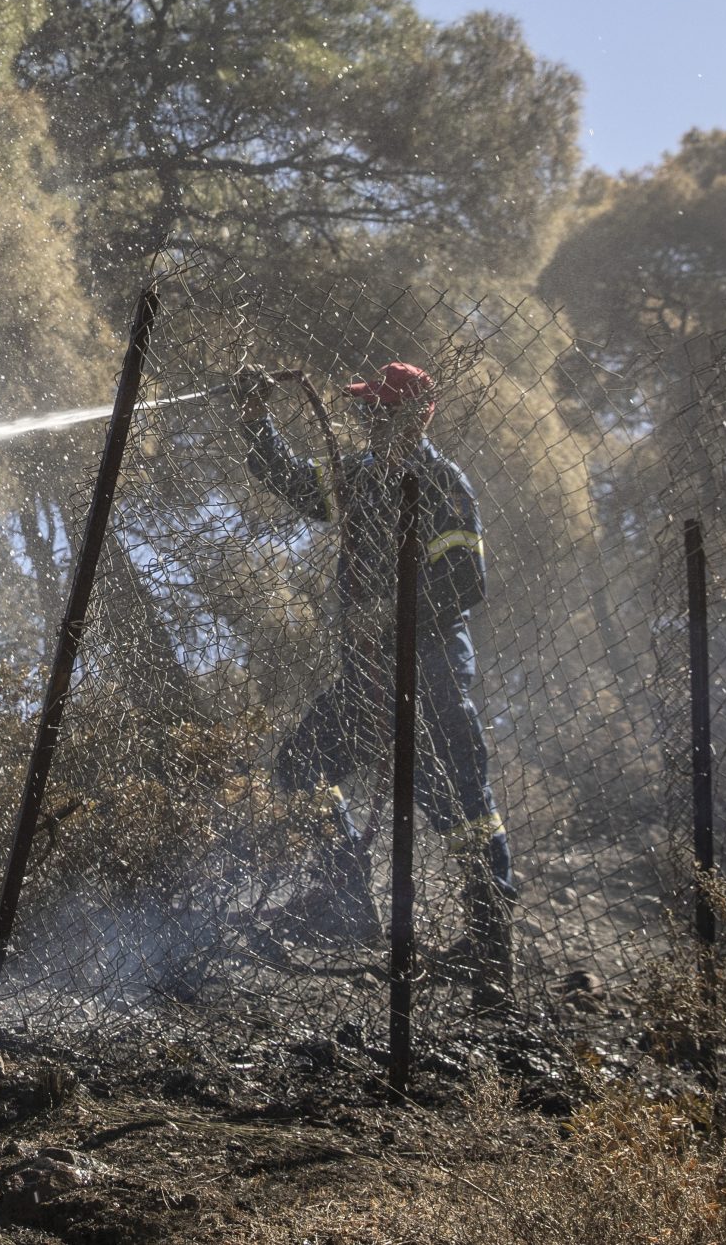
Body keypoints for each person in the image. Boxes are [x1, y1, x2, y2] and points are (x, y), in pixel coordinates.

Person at [238, 360, 514, 1008]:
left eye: (381, 411)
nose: (369, 422)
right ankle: (346, 898)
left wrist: (388, 610)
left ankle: (490, 950)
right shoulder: (361, 477)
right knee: (302, 765)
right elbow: (300, 485)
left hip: (434, 677)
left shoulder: (442, 481)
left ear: (415, 416)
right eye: (365, 411)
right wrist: (256, 422)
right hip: (367, 681)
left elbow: (466, 579)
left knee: (466, 812)